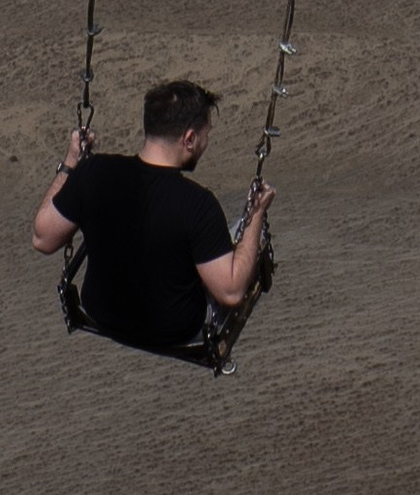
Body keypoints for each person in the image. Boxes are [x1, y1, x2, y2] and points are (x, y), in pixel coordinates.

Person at [30, 75, 272, 357]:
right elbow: (230, 293)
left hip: (103, 313)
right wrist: (257, 213)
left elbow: (42, 238)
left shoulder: (94, 172)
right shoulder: (198, 205)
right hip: (175, 331)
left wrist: (72, 161)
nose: (207, 142)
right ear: (189, 139)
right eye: (207, 135)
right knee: (244, 235)